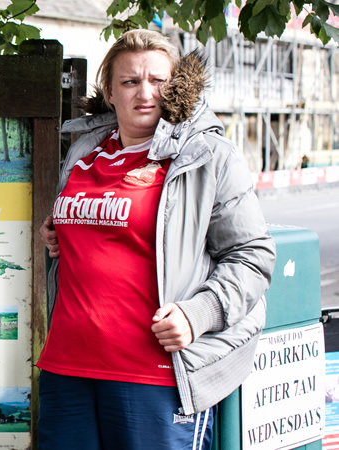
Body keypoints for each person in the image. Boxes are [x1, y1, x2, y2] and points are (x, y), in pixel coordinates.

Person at [35, 29, 275, 449]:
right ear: (110, 92)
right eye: (130, 82)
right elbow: (98, 236)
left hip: (154, 376)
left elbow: (252, 256)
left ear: (176, 86)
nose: (145, 93)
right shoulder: (83, 154)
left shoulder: (206, 156)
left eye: (158, 81)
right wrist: (59, 235)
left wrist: (198, 313)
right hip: (68, 367)